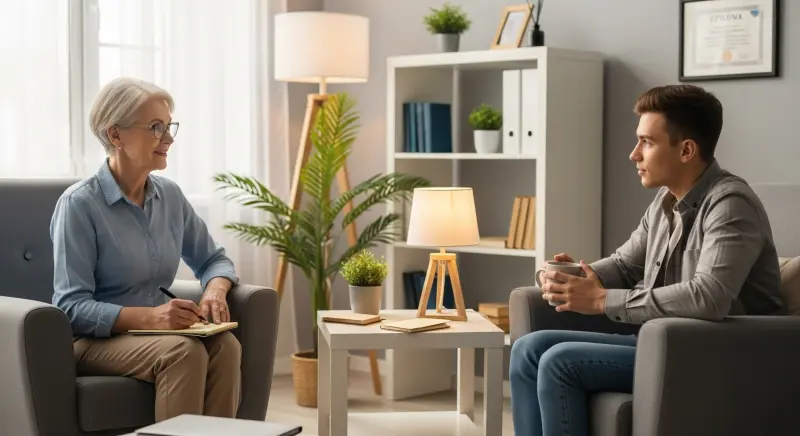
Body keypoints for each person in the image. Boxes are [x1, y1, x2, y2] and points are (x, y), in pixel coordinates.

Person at [509, 84, 787, 436]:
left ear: (686, 150)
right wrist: (577, 276)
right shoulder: (664, 202)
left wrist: (600, 299)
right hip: (666, 342)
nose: (633, 154)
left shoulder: (730, 205)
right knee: (528, 350)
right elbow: (626, 265)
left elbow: (709, 296)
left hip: (722, 353)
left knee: (559, 362)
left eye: (647, 142)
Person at [51, 77, 242, 422]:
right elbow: (70, 306)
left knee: (225, 347)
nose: (168, 139)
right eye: (156, 127)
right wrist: (153, 317)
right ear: (116, 135)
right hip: (93, 342)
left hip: (157, 334)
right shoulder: (78, 205)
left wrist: (215, 290)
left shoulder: (170, 196)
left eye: (170, 127)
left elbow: (214, 260)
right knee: (184, 352)